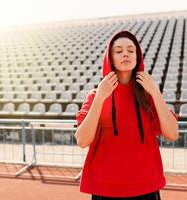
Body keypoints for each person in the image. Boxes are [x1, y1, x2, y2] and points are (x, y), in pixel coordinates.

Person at [75, 30, 179, 200]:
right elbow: (82, 140)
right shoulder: (95, 95)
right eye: (118, 51)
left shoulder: (148, 95)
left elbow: (172, 133)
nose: (125, 54)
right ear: (110, 58)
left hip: (145, 187)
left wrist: (155, 92)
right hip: (105, 188)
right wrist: (100, 97)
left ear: (138, 57)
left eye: (131, 51)